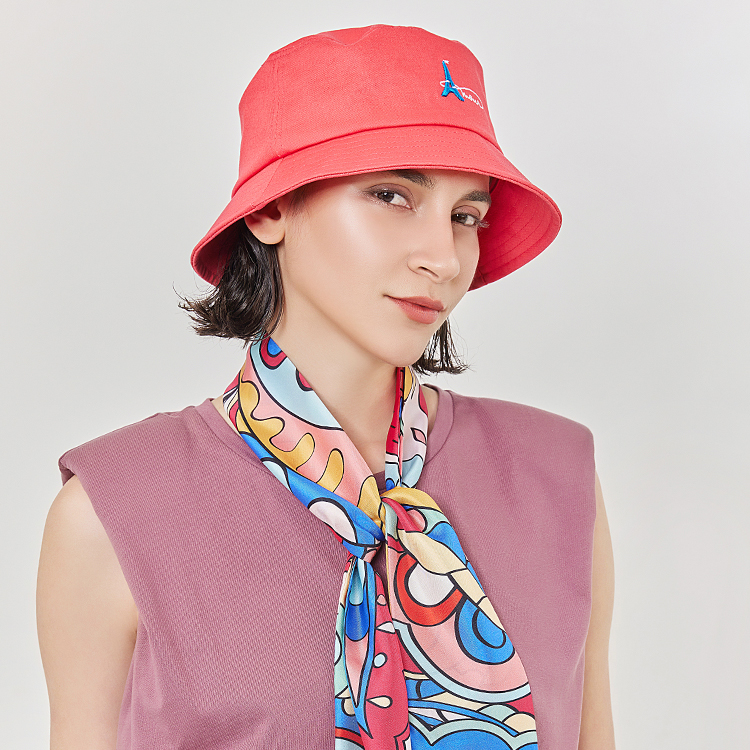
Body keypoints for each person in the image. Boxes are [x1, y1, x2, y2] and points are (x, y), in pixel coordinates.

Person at [36, 24, 615, 750]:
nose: (443, 257)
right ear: (271, 208)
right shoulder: (113, 512)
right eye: (391, 195)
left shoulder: (557, 475)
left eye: (467, 216)